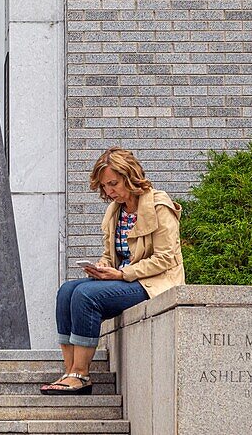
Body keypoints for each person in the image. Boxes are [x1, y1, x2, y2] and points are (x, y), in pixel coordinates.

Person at [41, 147, 185, 395]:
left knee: (86, 296)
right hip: (125, 279)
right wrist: (103, 266)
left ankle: (81, 375)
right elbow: (112, 254)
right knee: (66, 291)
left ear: (130, 176)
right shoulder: (115, 210)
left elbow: (166, 258)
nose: (109, 191)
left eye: (113, 184)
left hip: (154, 282)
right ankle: (70, 371)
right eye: (104, 186)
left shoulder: (159, 206)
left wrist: (121, 274)